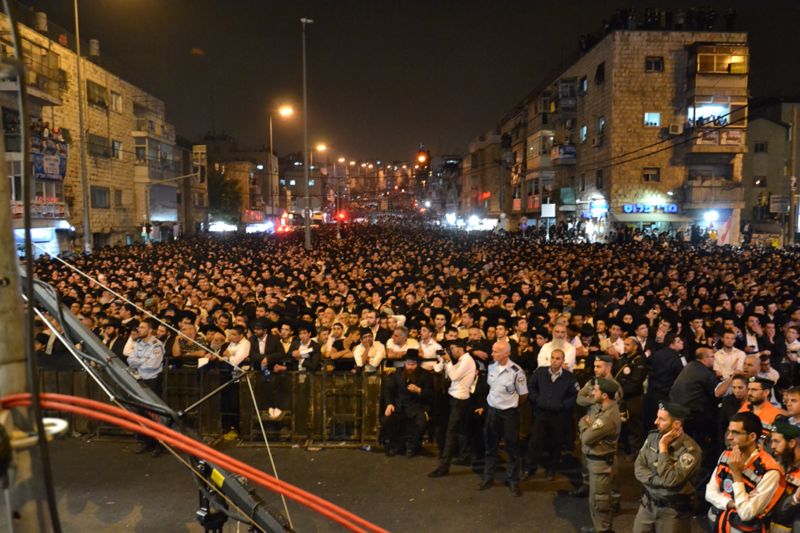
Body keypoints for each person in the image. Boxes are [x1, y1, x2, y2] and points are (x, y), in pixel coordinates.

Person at [706, 412, 785, 532]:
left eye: (735, 433)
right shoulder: (726, 455)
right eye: (729, 431)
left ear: (752, 437)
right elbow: (710, 492)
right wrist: (729, 503)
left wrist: (737, 475)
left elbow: (746, 513)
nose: (729, 437)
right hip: (718, 527)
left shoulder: (770, 471)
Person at [633, 402, 701, 533]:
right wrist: (658, 481)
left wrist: (663, 447)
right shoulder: (652, 437)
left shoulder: (690, 451)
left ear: (676, 424)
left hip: (672, 512)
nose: (655, 422)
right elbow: (639, 468)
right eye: (657, 417)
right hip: (648, 505)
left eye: (662, 419)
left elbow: (670, 480)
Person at [479, 340, 527, 497]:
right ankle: (488, 477)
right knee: (490, 446)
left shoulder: (516, 371)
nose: (492, 354)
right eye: (492, 350)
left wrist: (511, 405)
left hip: (509, 414)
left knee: (512, 449)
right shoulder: (491, 367)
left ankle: (513, 481)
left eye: (496, 351)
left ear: (506, 353)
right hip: (492, 412)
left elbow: (523, 395)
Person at [522, 348, 578, 481]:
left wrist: (563, 405)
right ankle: (529, 467)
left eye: (558, 358)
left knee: (556, 443)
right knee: (535, 441)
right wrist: (537, 399)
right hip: (541, 413)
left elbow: (574, 395)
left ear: (563, 360)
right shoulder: (540, 372)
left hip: (558, 415)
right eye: (552, 357)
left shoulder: (568, 377)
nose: (554, 361)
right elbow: (530, 386)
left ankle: (552, 469)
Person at [428, 338, 477, 477]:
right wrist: (445, 361)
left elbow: (454, 376)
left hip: (459, 400)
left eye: (453, 348)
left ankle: (444, 466)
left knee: (451, 432)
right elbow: (443, 371)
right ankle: (465, 456)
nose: (451, 351)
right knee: (460, 430)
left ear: (460, 348)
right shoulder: (462, 360)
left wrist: (448, 361)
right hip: (456, 398)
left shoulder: (467, 360)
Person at [579, 378, 622, 533]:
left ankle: (603, 529)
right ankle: (600, 527)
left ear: (604, 395)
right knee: (598, 500)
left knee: (600, 502)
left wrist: (583, 424)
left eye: (596, 390)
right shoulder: (605, 409)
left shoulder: (607, 418)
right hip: (599, 463)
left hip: (601, 465)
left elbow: (586, 438)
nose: (593, 393)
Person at [381, 350, 433, 457]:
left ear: (417, 364)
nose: (410, 367)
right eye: (408, 364)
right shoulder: (398, 373)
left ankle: (412, 446)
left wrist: (419, 390)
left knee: (420, 422)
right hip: (399, 406)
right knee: (387, 420)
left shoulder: (425, 375)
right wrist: (389, 404)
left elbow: (431, 394)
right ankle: (396, 445)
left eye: (412, 364)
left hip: (417, 406)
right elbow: (388, 390)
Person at [127, 318, 165, 456]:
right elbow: (130, 360)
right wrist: (143, 360)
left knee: (155, 414)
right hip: (140, 380)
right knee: (141, 412)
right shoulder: (139, 343)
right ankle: (145, 442)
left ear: (150, 330)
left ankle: (159, 444)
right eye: (139, 327)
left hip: (153, 381)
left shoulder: (157, 345)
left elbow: (153, 365)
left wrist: (139, 361)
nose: (139, 329)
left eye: (142, 327)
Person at [644, 335, 685, 438]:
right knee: (663, 424)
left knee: (651, 422)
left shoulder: (657, 354)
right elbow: (680, 376)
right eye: (678, 341)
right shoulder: (676, 358)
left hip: (652, 393)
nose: (682, 342)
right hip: (666, 396)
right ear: (671, 344)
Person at [615, 336, 647, 454]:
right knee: (622, 424)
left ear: (635, 346)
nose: (625, 346)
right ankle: (625, 449)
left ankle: (636, 452)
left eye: (628, 344)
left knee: (634, 426)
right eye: (624, 344)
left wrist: (620, 392)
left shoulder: (639, 360)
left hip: (634, 398)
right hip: (621, 398)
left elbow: (635, 382)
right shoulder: (623, 358)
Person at [768, 420, 800, 532]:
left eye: (777, 441)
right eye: (772, 441)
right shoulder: (778, 464)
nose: (772, 446)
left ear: (791, 443)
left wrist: (795, 499)